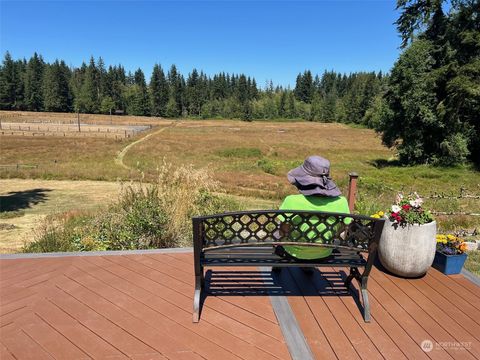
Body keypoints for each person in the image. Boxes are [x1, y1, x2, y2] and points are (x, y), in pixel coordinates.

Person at [275, 155, 351, 262]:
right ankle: (308, 266)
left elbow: (283, 231)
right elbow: (341, 230)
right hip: (324, 253)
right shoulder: (341, 202)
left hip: (293, 252)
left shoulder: (292, 201)